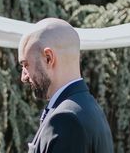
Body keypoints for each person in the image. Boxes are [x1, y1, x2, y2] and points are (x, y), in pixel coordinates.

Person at [18, 18, 114, 153]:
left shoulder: (66, 119)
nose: (23, 77)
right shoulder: (90, 108)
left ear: (48, 58)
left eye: (26, 65)